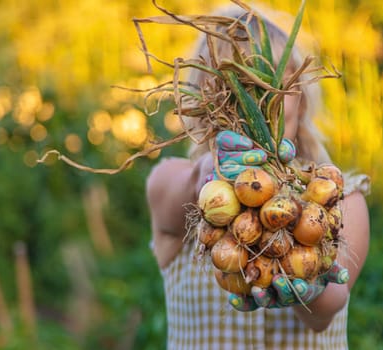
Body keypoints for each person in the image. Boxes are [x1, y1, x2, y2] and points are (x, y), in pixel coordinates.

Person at [146, 4, 370, 349]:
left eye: (271, 91)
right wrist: (211, 173)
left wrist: (310, 285)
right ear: (204, 108)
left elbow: (324, 312)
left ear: (301, 102)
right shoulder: (176, 180)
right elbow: (177, 193)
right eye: (234, 95)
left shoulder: (342, 199)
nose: (255, 106)